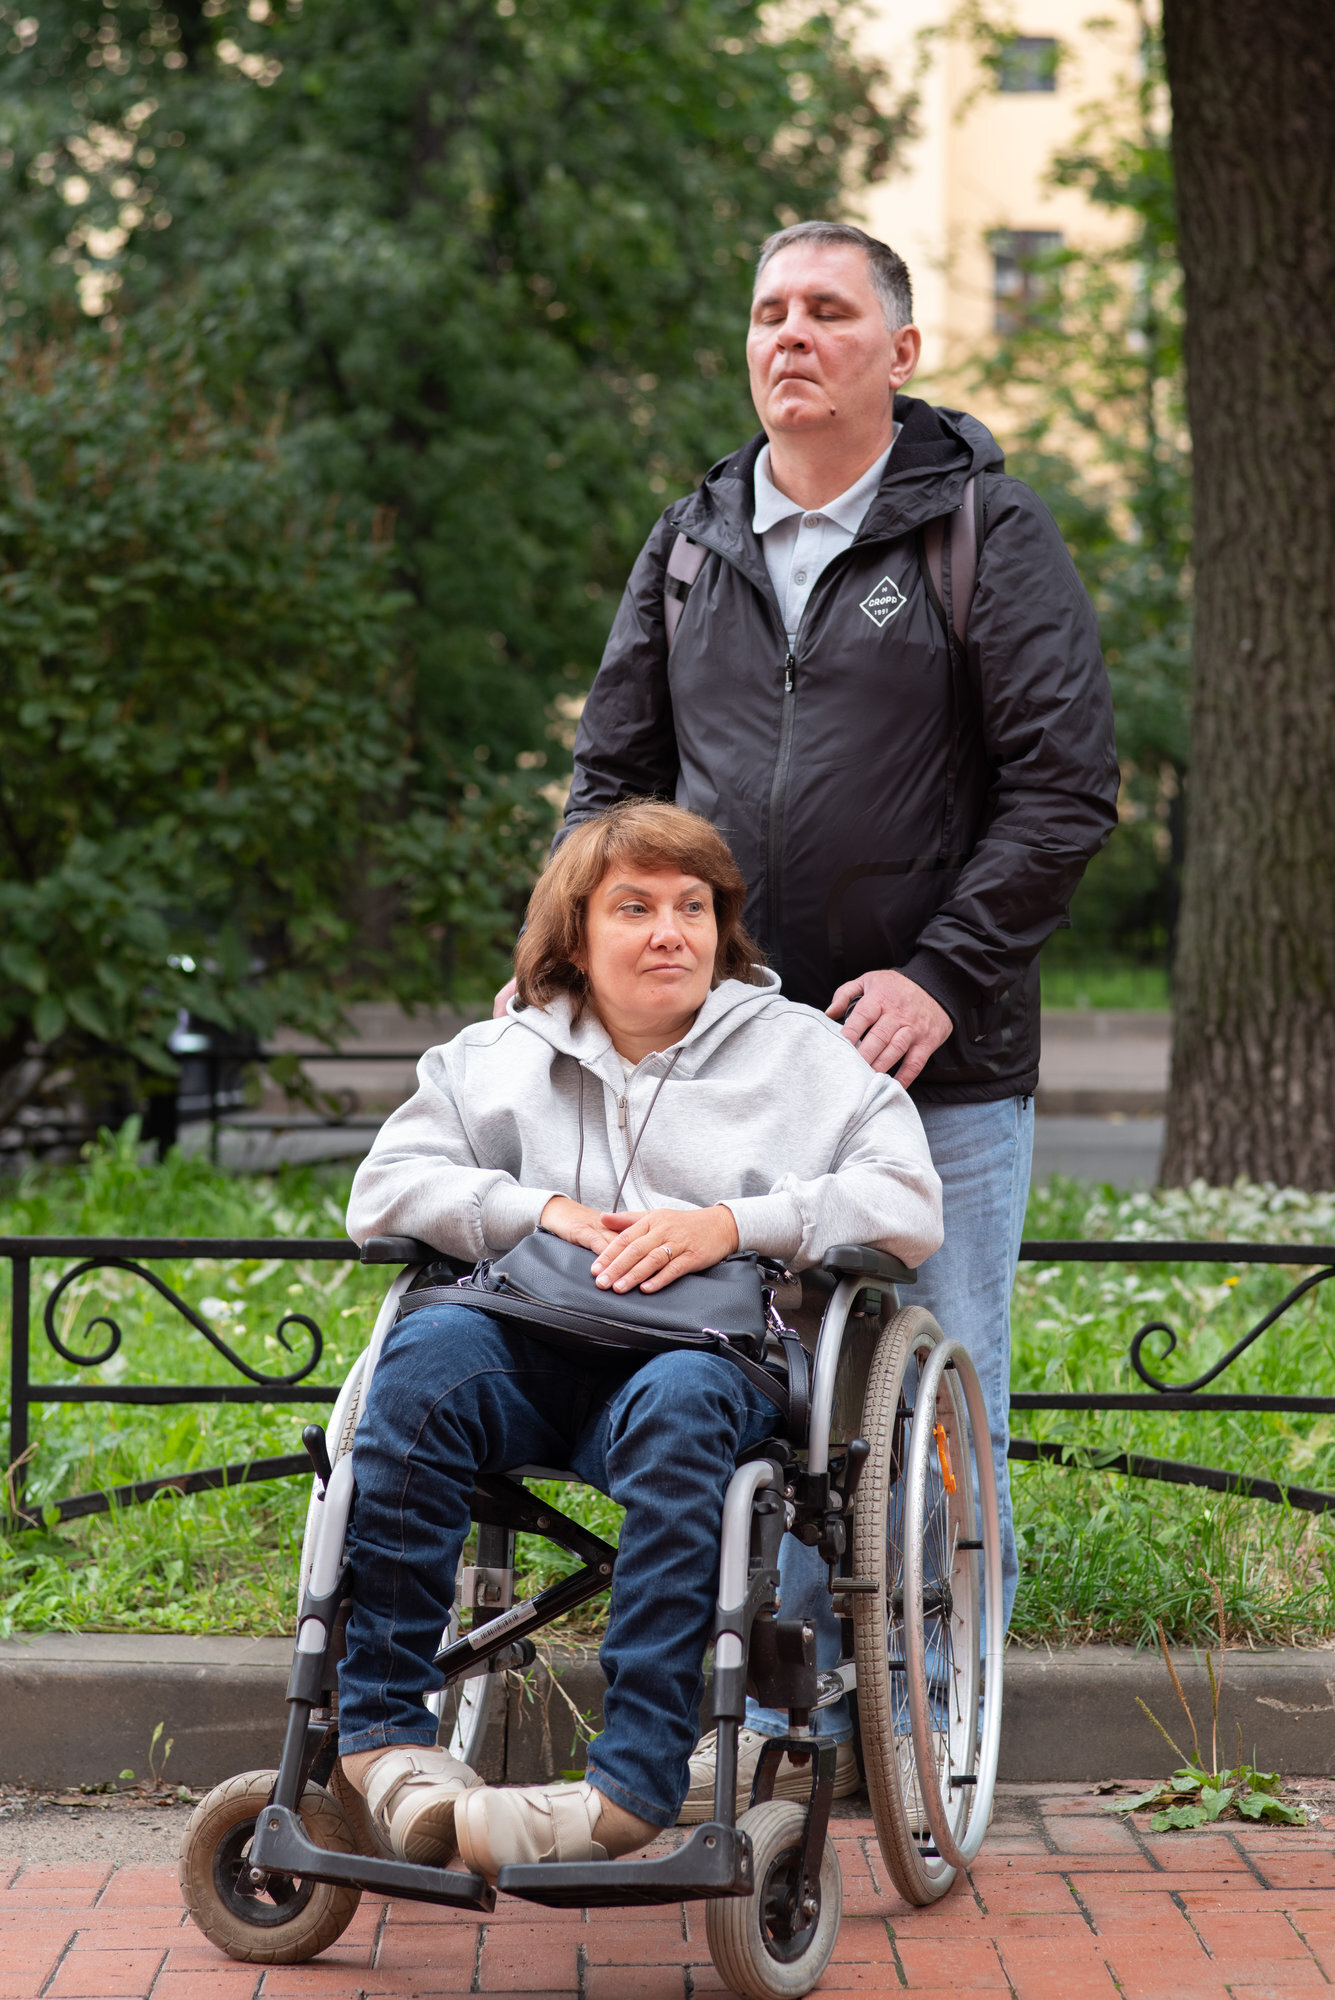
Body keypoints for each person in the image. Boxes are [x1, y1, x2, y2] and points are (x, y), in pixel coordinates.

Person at [501, 220, 1119, 1809]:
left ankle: (914, 1737)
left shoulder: (981, 531)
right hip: (721, 1066)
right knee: (744, 1386)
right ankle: (776, 1716)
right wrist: (574, 955)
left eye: (827, 311)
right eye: (768, 309)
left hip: (933, 1070)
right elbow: (610, 786)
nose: (790, 334)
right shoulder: (692, 539)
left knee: (927, 1410)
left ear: (897, 353)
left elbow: (1062, 789)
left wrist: (940, 974)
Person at [339, 799, 943, 1876]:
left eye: (692, 907)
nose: (670, 932)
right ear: (574, 935)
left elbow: (906, 1200)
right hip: (525, 1343)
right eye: (635, 907)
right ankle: (384, 1746)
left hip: (699, 1358)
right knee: (421, 1365)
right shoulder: (496, 1056)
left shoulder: (799, 1053)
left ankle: (627, 1789)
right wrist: (537, 1208)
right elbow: (383, 1190)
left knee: (681, 1405)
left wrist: (734, 1224)